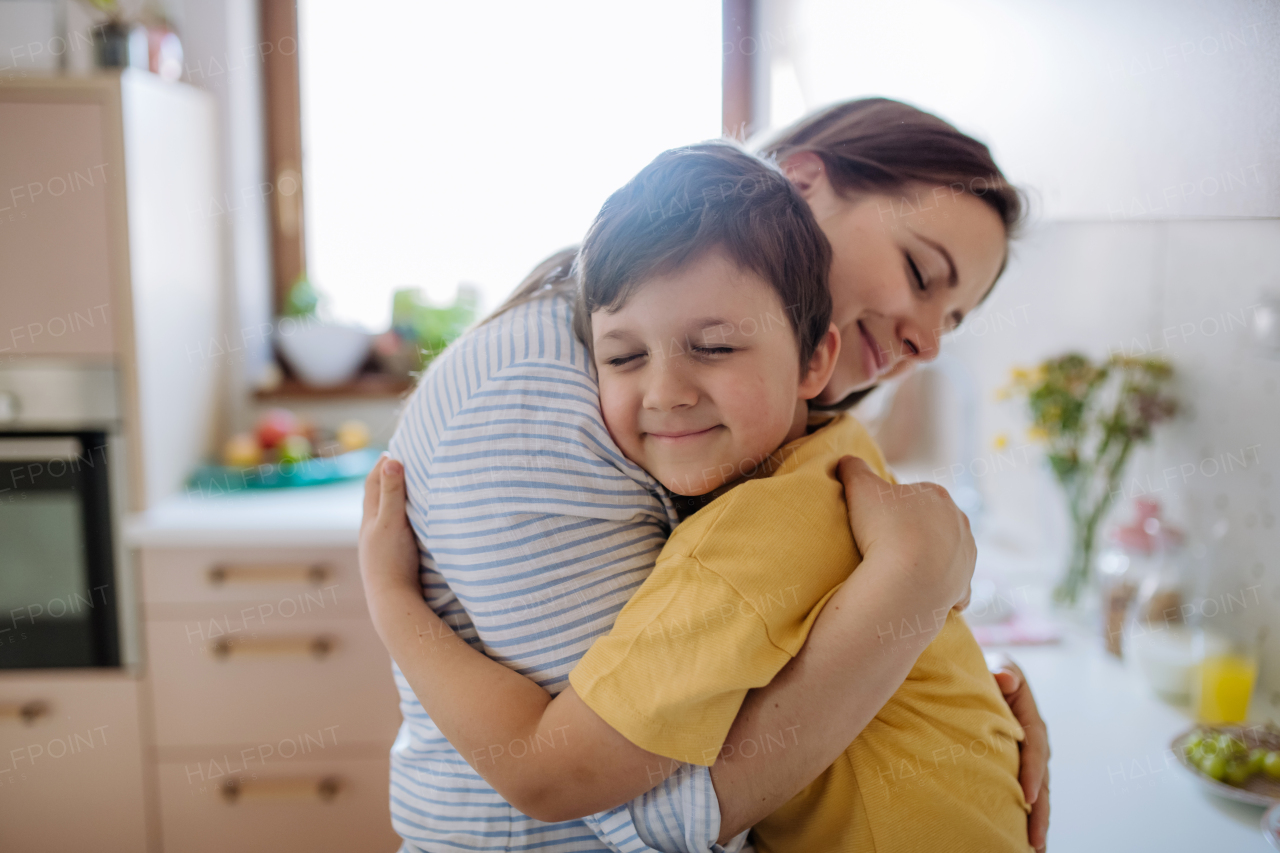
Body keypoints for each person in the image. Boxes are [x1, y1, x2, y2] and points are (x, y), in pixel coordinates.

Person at [361, 99, 1050, 853]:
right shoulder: (539, 395)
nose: (926, 340)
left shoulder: (793, 449)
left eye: (952, 318)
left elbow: (756, 657)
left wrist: (963, 693)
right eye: (921, 273)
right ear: (804, 182)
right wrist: (910, 593)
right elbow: (622, 792)